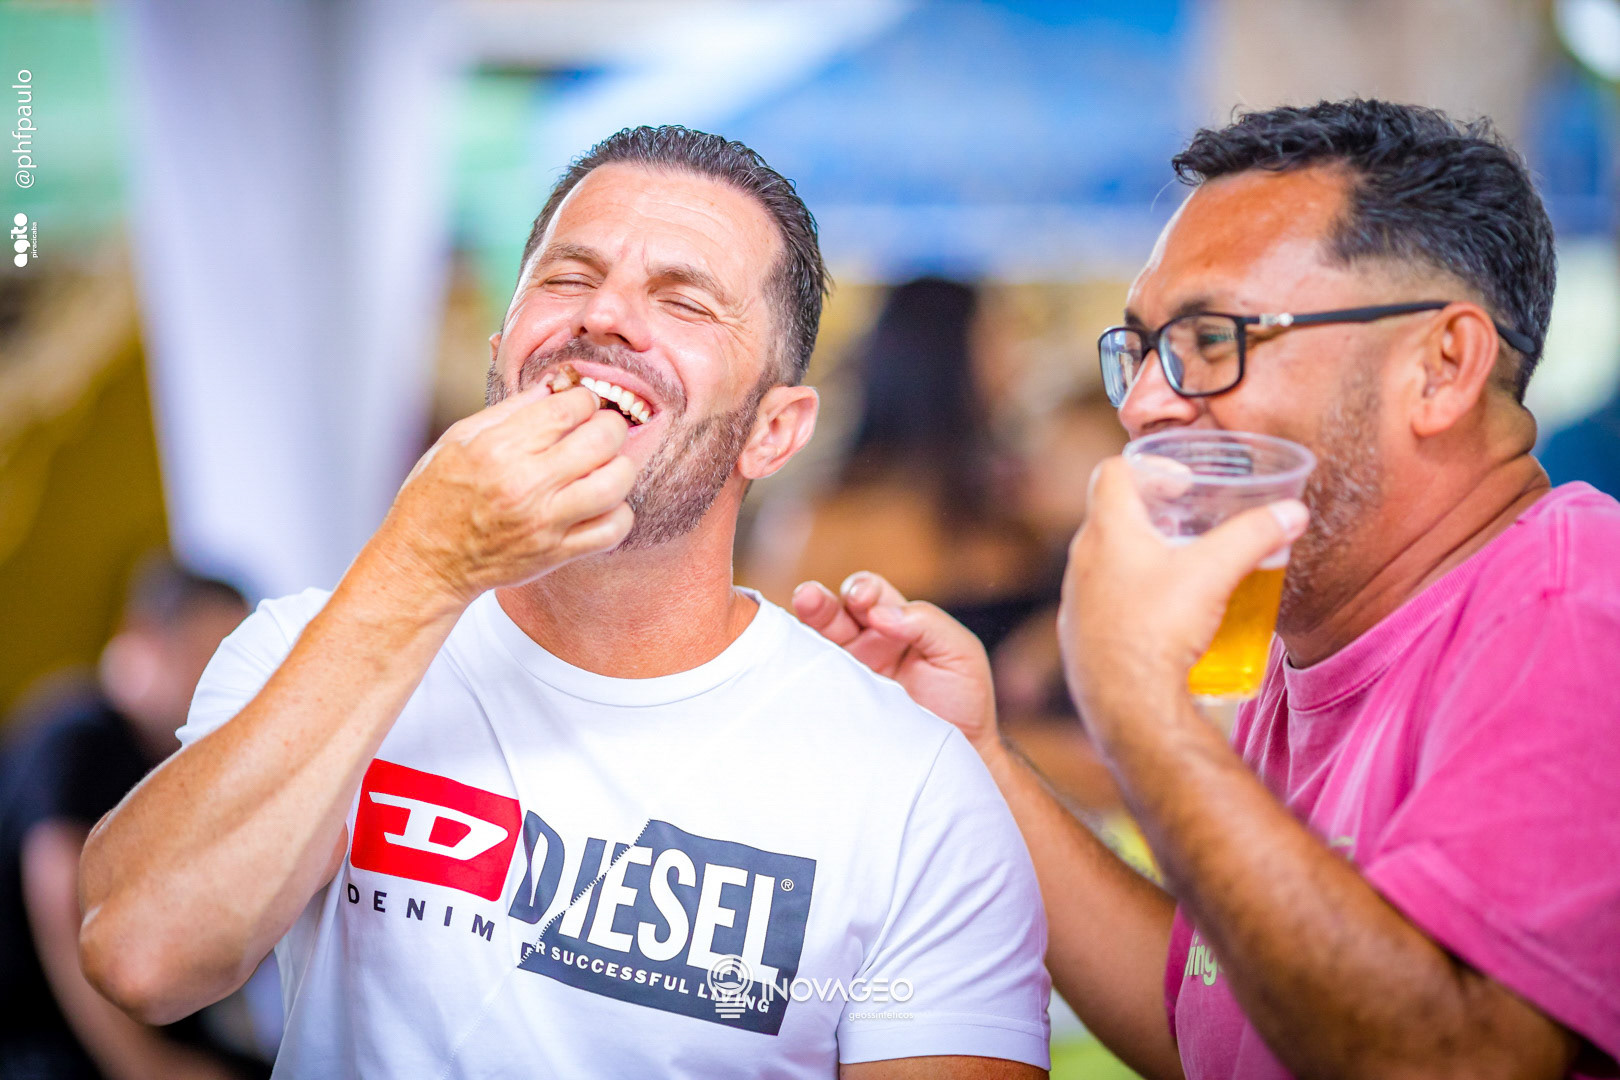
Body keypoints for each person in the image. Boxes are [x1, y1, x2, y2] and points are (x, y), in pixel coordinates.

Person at [77, 127, 1050, 1079]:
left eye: (685, 300)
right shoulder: (303, 648)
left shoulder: (913, 786)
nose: (605, 316)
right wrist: (420, 565)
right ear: (504, 351)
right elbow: (140, 957)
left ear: (773, 432)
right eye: (568, 277)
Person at [795, 99, 1620, 1079]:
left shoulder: (1569, 601)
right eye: (1140, 350)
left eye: (1212, 339)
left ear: (1442, 368)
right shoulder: (1307, 633)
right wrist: (974, 755)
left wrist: (1137, 702)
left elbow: (1455, 1061)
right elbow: (1223, 1015)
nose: (1144, 402)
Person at [0, 558, 261, 1080]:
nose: (223, 682)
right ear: (147, 641)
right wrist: (148, 1067)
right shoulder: (81, 734)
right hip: (46, 1045)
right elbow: (63, 906)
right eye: (207, 657)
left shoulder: (173, 761)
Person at [744, 276, 1046, 654]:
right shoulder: (819, 522)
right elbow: (766, 663)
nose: (1018, 364)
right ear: (944, 358)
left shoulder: (1020, 509)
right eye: (1000, 339)